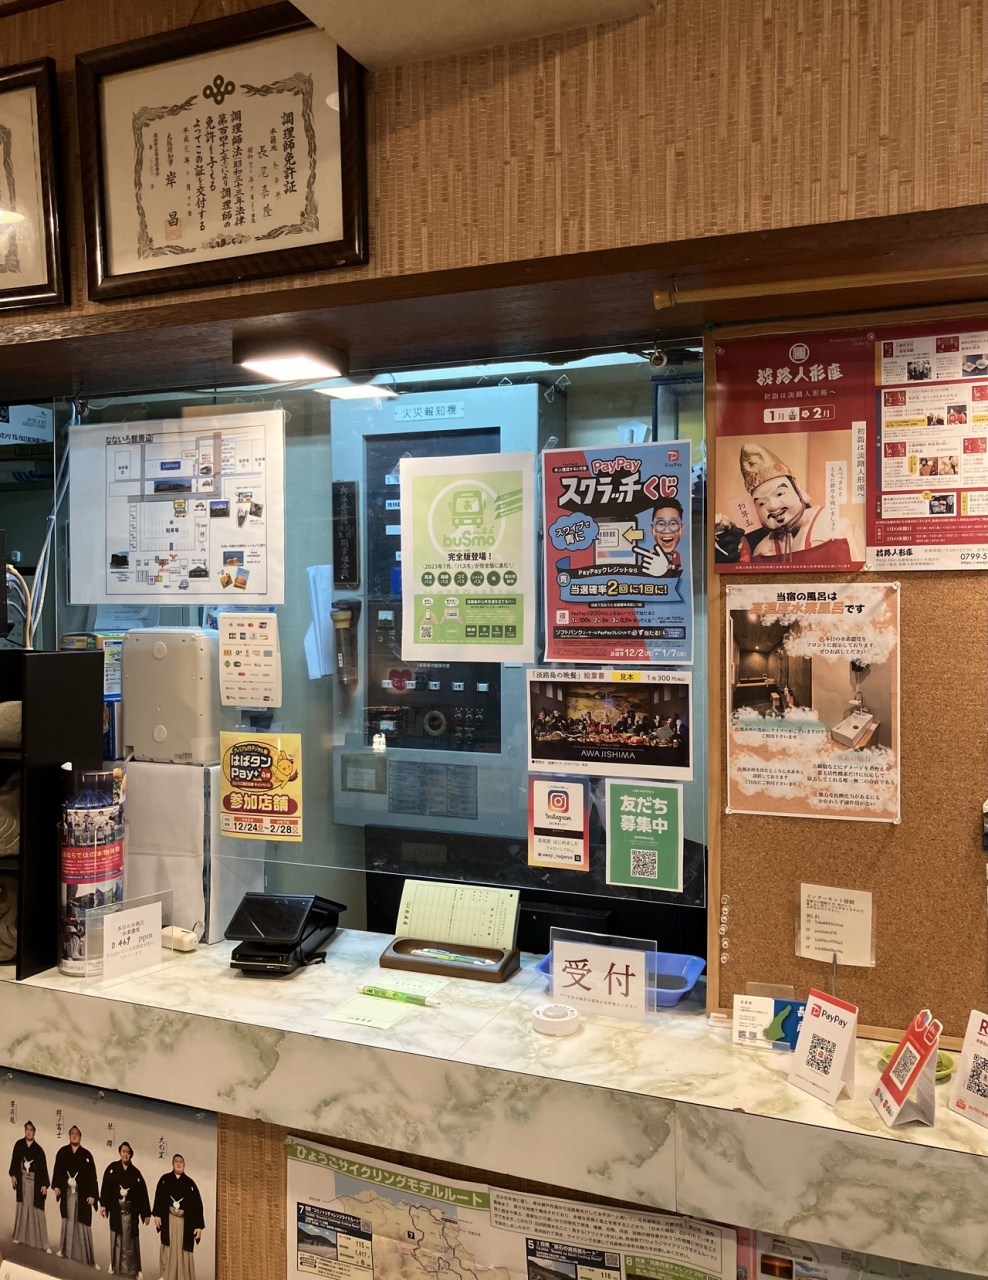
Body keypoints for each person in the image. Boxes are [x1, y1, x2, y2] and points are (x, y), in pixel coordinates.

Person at [736, 442, 863, 565]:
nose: (773, 506)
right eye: (761, 504)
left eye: (780, 494)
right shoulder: (761, 552)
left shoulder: (841, 530)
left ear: (799, 491)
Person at [100, 1142, 151, 1277]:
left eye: (128, 1152)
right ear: (120, 1153)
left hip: (131, 1213)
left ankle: (135, 1270)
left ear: (131, 1155)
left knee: (131, 1241)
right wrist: (103, 1205)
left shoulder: (136, 1174)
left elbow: (143, 1194)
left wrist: (146, 1214)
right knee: (116, 1238)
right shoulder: (112, 1169)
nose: (125, 1154)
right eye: (123, 1152)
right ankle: (114, 1264)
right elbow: (105, 1188)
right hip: (116, 1211)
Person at [52, 1125, 100, 1267]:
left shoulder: (87, 1155)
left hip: (82, 1194)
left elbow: (92, 1177)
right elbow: (57, 1171)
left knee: (82, 1222)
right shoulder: (62, 1152)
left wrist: (92, 1195)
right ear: (69, 1136)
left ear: (80, 1137)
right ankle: (64, 1250)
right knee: (67, 1220)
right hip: (67, 1193)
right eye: (72, 1133)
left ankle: (86, 1257)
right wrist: (56, 1186)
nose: (74, 1135)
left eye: (77, 1134)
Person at [153, 1154, 205, 1280]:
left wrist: (198, 1226)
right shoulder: (165, 1180)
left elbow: (197, 1205)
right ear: (172, 1164)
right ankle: (167, 1276)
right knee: (168, 1247)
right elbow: (159, 1198)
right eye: (176, 1161)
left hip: (184, 1222)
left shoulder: (190, 1184)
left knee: (183, 1249)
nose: (178, 1164)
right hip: (169, 1219)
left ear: (184, 1165)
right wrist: (157, 1215)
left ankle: (183, 1277)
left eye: (180, 1162)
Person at [9, 1120, 51, 1253]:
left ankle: (43, 1243)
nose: (28, 1132)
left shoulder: (39, 1150)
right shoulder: (19, 1145)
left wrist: (44, 1185)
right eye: (27, 1129)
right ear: (24, 1131)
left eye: (31, 1130)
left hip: (35, 1182)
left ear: (34, 1132)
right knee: (22, 1207)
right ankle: (19, 1237)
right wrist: (14, 1176)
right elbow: (15, 1162)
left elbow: (43, 1169)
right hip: (22, 1180)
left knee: (37, 1211)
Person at [637, 498, 685, 576]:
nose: (666, 531)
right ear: (652, 529)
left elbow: (677, 566)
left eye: (673, 524)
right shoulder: (654, 554)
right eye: (661, 524)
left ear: (681, 529)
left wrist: (670, 567)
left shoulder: (676, 554)